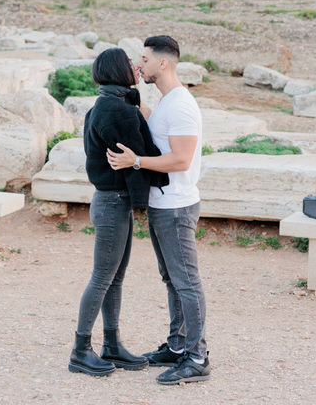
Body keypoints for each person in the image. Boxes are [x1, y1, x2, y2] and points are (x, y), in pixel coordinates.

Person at [107, 34, 209, 385]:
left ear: (162, 63)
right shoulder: (167, 101)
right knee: (172, 279)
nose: (141, 64)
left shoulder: (181, 104)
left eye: (145, 59)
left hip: (177, 207)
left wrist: (136, 162)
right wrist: (134, 102)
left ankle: (196, 357)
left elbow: (181, 159)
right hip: (163, 203)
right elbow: (158, 130)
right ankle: (178, 346)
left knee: (186, 283)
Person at [69, 46, 168, 378]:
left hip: (109, 200)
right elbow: (146, 153)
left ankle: (111, 345)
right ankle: (80, 351)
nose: (136, 66)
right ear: (117, 70)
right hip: (113, 201)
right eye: (130, 62)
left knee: (114, 278)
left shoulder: (107, 103)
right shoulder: (119, 111)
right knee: (102, 278)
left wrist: (138, 104)